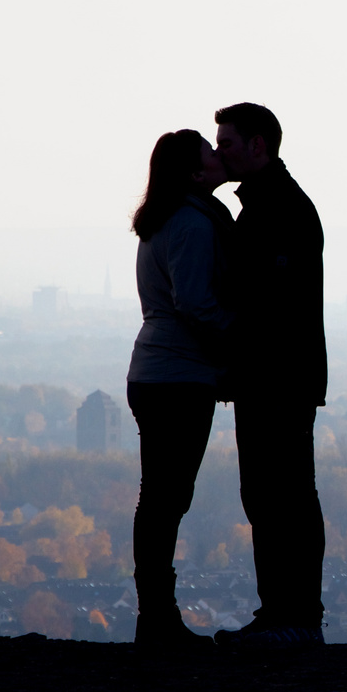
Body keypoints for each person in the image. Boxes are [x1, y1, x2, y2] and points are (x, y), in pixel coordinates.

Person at [210, 102, 329, 648]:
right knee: (269, 495)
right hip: (273, 376)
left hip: (276, 376)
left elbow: (263, 300)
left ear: (259, 145)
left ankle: (294, 617)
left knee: (283, 496)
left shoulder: (278, 209)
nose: (219, 154)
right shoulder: (269, 205)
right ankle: (284, 613)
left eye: (227, 144)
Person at [125, 129, 235, 651]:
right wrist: (243, 338)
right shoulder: (193, 223)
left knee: (160, 498)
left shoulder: (164, 220)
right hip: (178, 379)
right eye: (210, 153)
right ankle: (159, 619)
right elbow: (195, 305)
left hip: (153, 375)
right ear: (194, 173)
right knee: (168, 500)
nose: (219, 157)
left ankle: (155, 616)